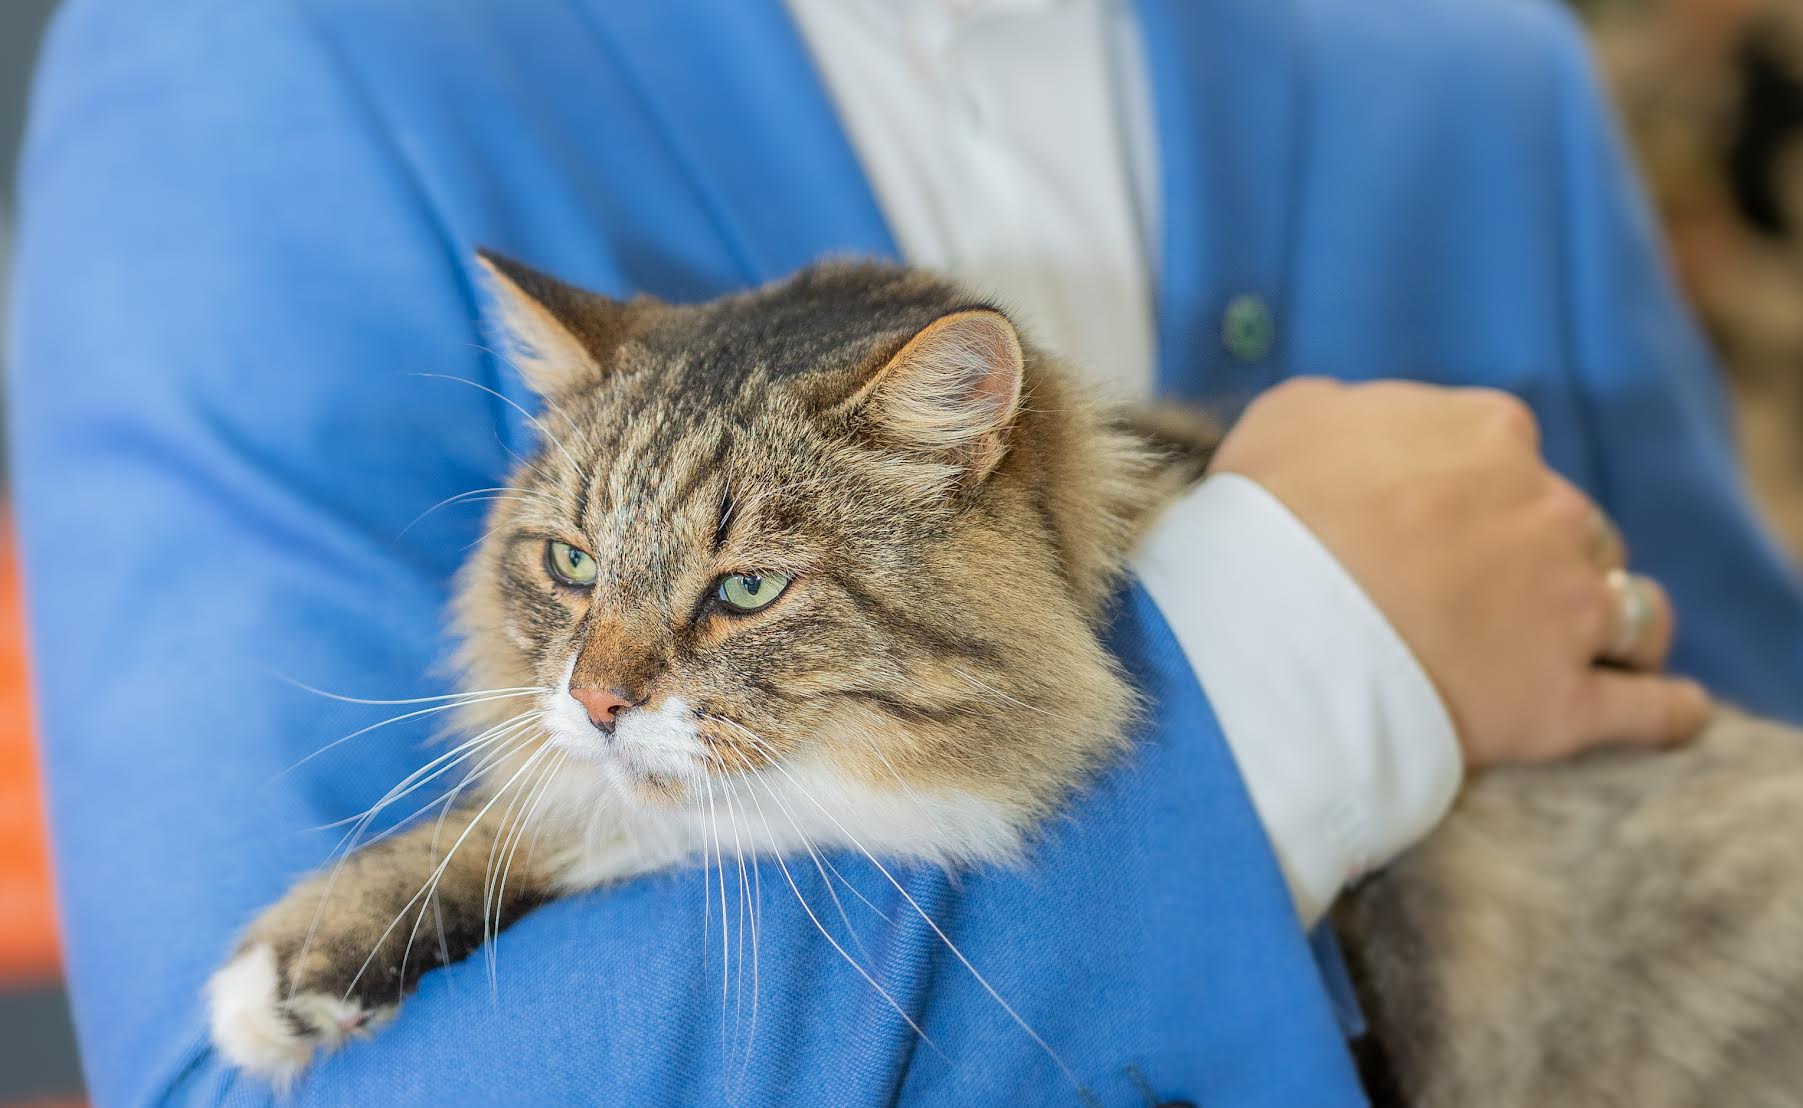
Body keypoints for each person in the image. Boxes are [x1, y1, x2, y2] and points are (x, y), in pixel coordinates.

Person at [8, 0, 1801, 1104]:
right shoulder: (259, 50)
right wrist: (1287, 679)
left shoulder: (1481, 65)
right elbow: (235, 1089)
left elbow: (1731, 750)